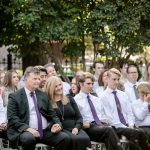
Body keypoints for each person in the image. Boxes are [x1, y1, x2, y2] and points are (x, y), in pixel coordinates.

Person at [7, 67, 70, 150]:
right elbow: (12, 118)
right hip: (24, 131)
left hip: (44, 131)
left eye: (38, 78)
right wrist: (28, 129)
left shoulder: (43, 95)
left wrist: (57, 124)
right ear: (26, 79)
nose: (38, 81)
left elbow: (52, 114)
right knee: (29, 139)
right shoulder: (15, 96)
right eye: (34, 79)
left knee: (64, 138)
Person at [101, 68, 149, 150]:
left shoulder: (123, 94)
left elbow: (129, 113)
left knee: (141, 132)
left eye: (118, 79)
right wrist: (125, 127)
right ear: (107, 79)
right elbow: (109, 118)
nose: (116, 82)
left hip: (128, 126)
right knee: (138, 133)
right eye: (114, 79)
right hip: (115, 127)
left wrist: (130, 125)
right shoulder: (103, 96)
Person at [74, 72, 123, 150]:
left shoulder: (96, 99)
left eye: (92, 84)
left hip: (101, 124)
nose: (91, 86)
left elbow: (102, 114)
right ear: (81, 84)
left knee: (112, 130)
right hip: (88, 127)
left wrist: (104, 119)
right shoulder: (76, 100)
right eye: (88, 84)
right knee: (109, 130)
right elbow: (77, 120)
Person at [44, 76, 91, 150]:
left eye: (60, 85)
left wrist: (77, 128)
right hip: (62, 129)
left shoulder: (69, 98)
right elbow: (50, 120)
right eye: (56, 86)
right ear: (50, 88)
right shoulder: (48, 103)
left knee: (85, 138)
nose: (59, 87)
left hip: (75, 128)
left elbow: (79, 117)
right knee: (74, 140)